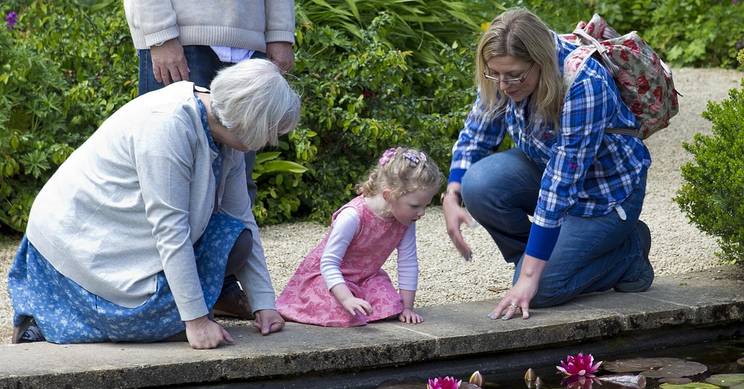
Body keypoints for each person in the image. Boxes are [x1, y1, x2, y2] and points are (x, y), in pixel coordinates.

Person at [8, 59, 301, 349]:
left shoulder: (225, 129)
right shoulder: (167, 125)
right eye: (269, 134)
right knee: (172, 326)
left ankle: (186, 310)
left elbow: (241, 216)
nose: (269, 143)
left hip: (125, 237)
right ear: (250, 123)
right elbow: (170, 230)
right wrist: (196, 321)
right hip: (78, 245)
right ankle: (42, 322)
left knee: (238, 240)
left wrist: (264, 304)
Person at [442, 8, 654, 321]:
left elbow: (560, 184)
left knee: (541, 291)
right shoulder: (505, 71)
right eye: (494, 74)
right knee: (479, 184)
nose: (503, 85)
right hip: (550, 171)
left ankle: (630, 251)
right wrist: (452, 194)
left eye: (514, 75)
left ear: (539, 62)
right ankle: (538, 260)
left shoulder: (584, 83)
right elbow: (477, 134)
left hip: (605, 198)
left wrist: (531, 278)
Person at [123, 0, 296, 320]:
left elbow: (239, 209)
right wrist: (159, 33)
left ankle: (217, 289)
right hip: (182, 38)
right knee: (161, 188)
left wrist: (281, 32)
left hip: (249, 40)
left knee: (237, 184)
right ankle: (148, 296)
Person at [276, 148, 444, 327]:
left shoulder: (406, 220)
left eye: (425, 205)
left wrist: (408, 307)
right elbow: (328, 263)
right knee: (345, 312)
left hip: (366, 277)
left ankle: (361, 301)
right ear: (389, 195)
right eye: (415, 205)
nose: (422, 213)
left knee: (392, 306)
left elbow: (408, 262)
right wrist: (347, 298)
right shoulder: (353, 216)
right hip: (328, 278)